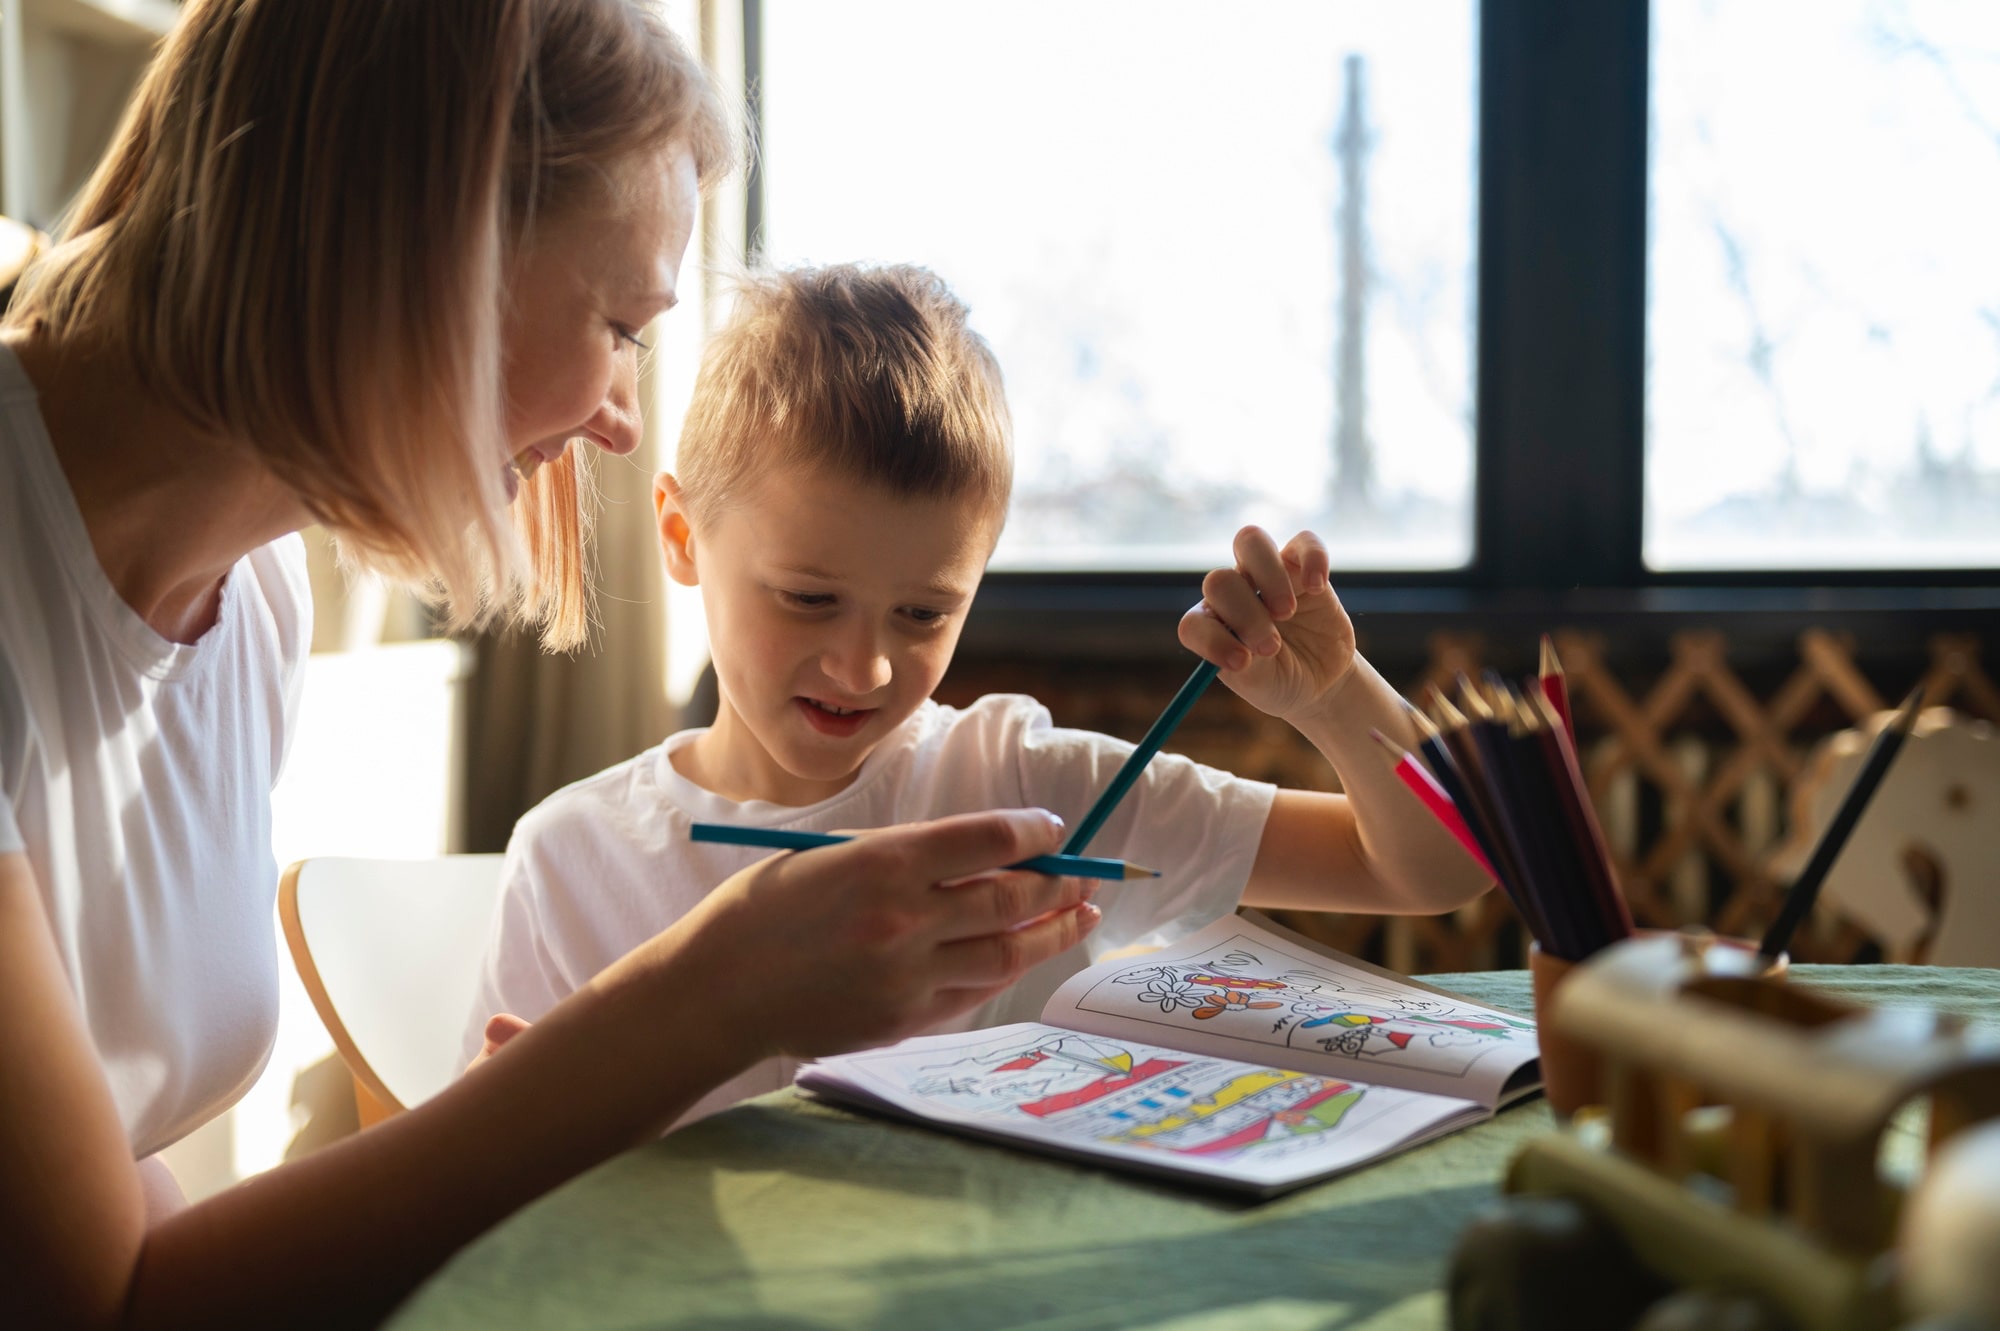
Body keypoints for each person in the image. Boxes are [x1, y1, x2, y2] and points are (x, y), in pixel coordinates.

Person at [0, 5, 1101, 1325]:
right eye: (623, 325)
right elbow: (96, 1298)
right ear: (418, 255)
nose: (625, 424)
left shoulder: (252, 598)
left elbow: (116, 1204)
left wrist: (536, 1109)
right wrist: (707, 996)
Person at [463, 263, 1495, 1121]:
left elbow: (1429, 868)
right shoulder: (572, 857)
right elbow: (494, 1172)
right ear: (684, 536)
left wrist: (1331, 697)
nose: (864, 667)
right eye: (809, 598)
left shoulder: (1036, 788)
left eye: (921, 614)